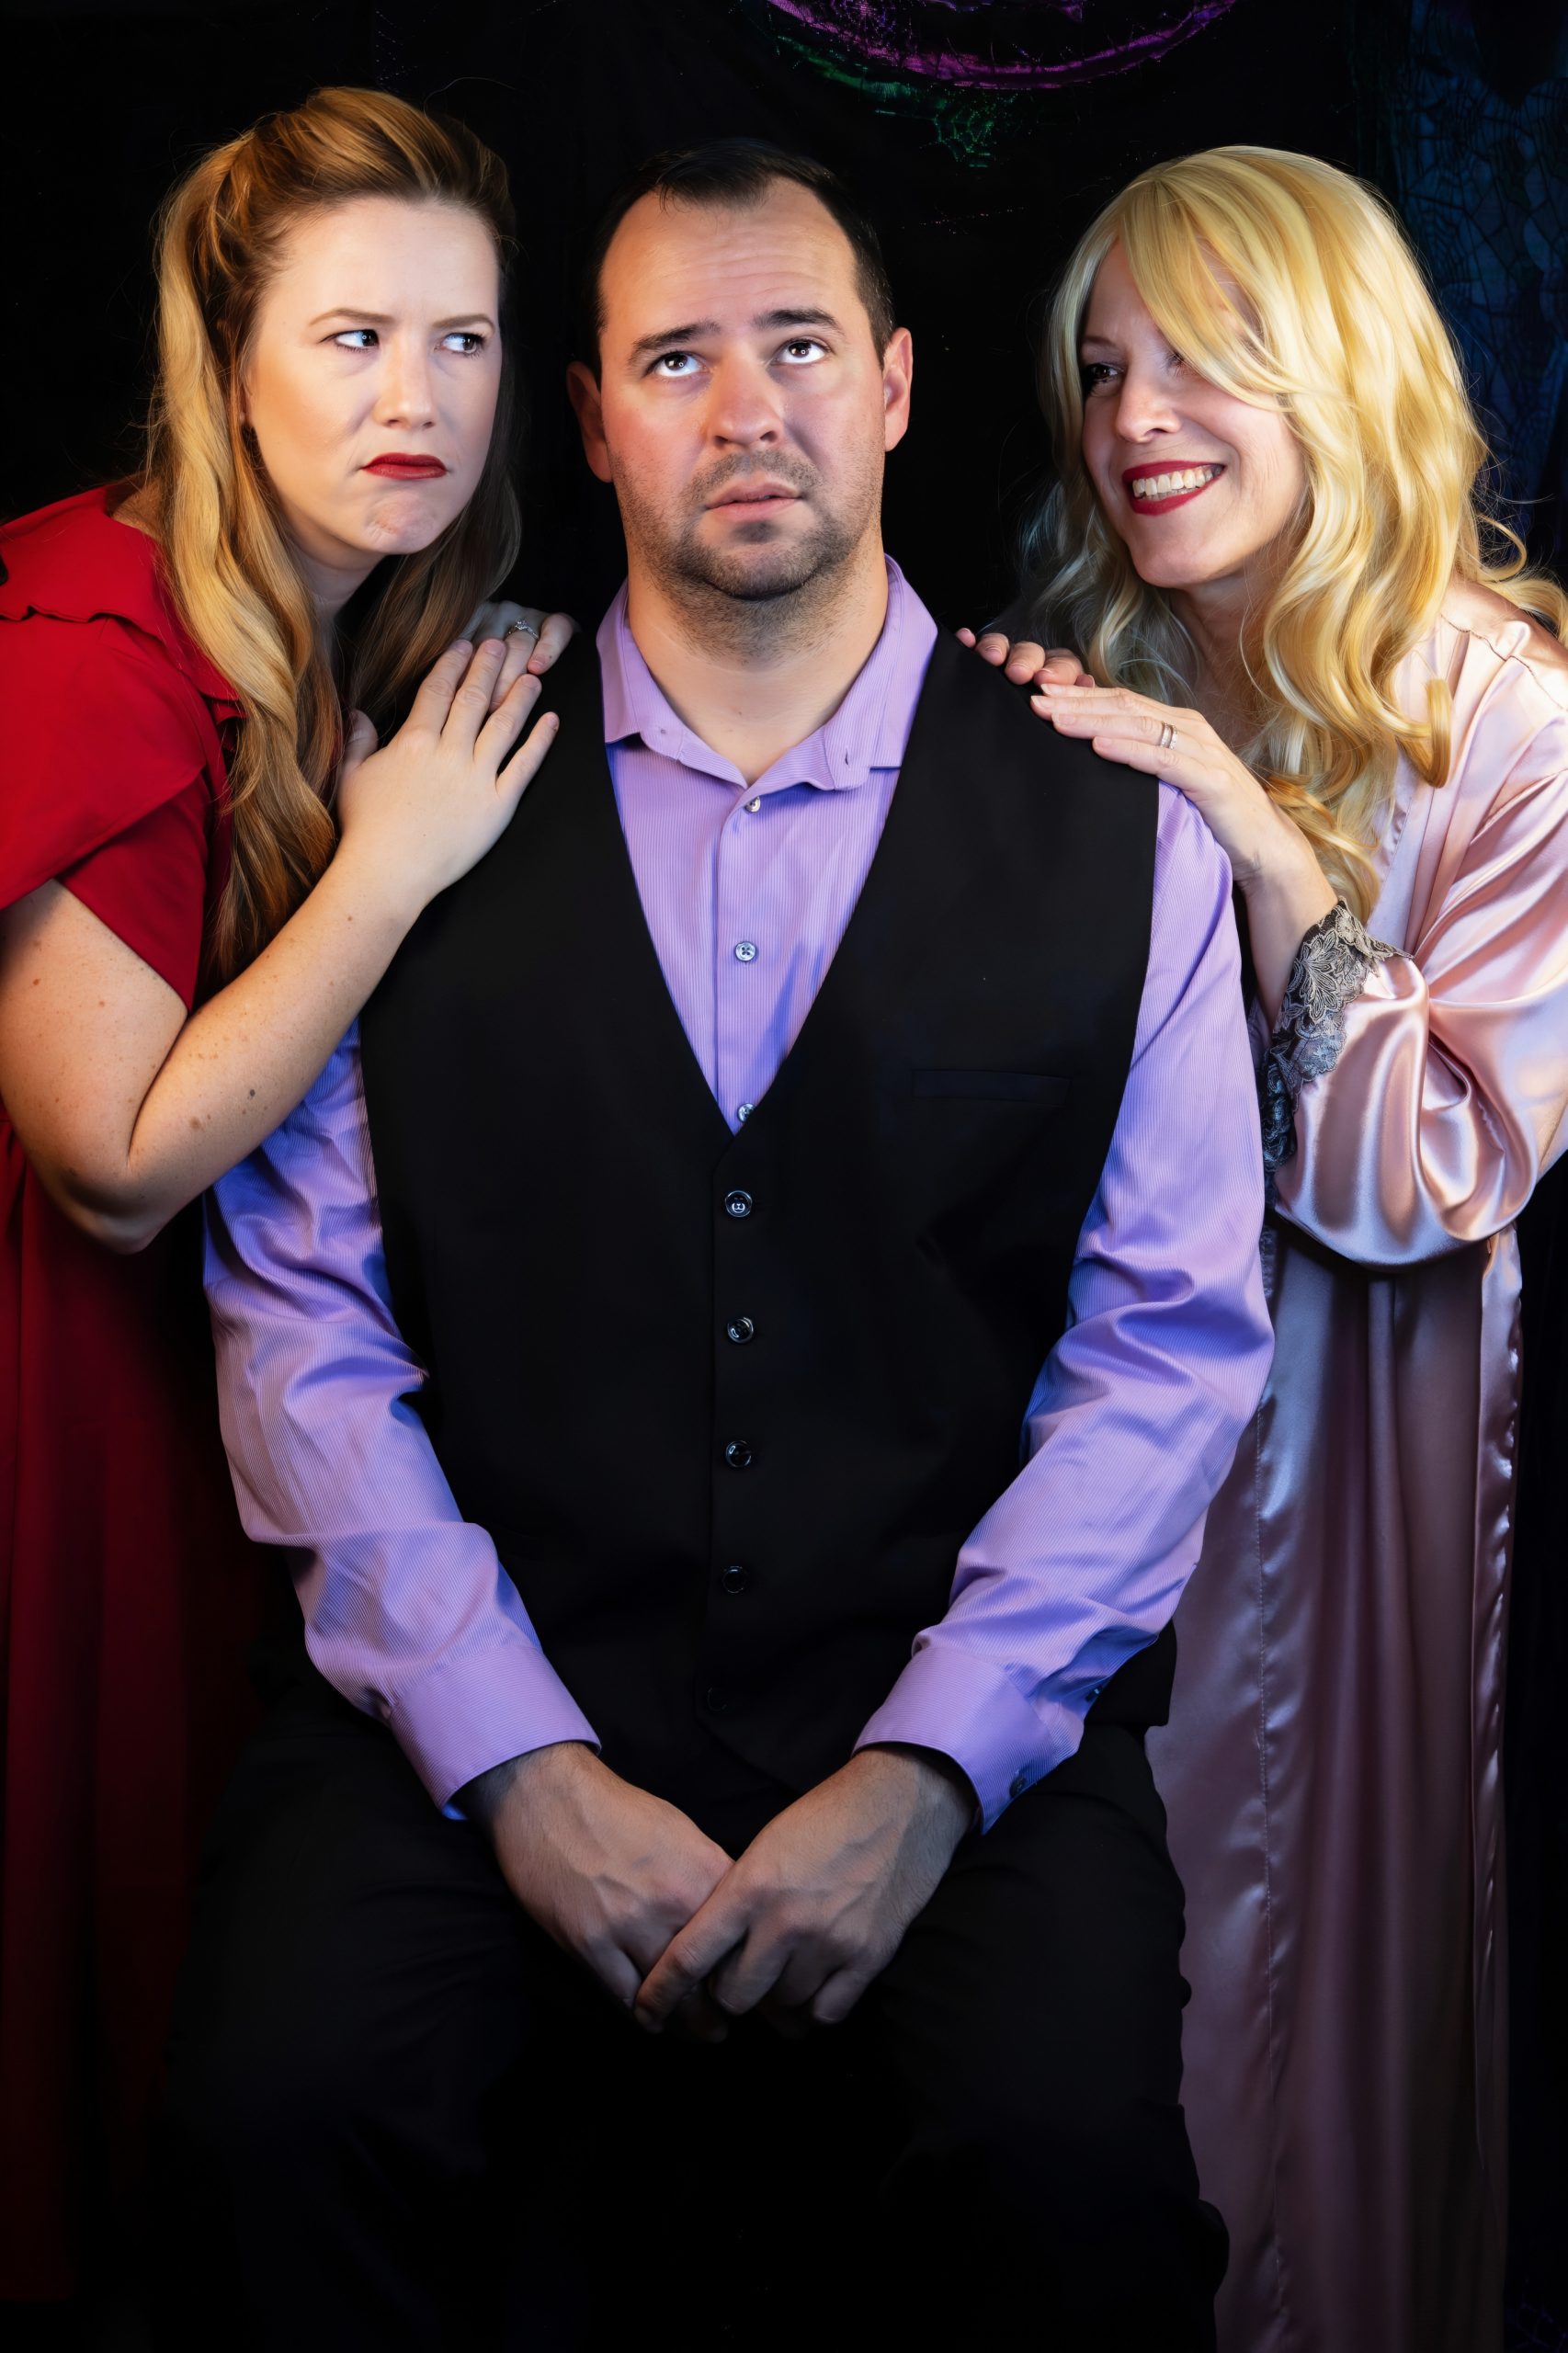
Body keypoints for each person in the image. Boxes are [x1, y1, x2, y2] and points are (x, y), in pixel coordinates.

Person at [163, 137, 1274, 2348]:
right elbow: (302, 1321)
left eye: (796, 347)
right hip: (480, 1681)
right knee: (275, 2113)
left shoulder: (1116, 823)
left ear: (893, 386)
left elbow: (1161, 1358)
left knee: (1063, 2171)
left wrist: (927, 1769)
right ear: (590, 420)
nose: (745, 407)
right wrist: (516, 1758)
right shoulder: (414, 794)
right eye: (676, 358)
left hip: (949, 1704)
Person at [971, 144, 1568, 2353]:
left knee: (1281, 2020)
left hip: (1342, 1472)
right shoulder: (1102, 659)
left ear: (1337, 365)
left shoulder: (1503, 717)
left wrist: (1252, 838)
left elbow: (1436, 1176)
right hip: (1079, 1436)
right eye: (1102, 367)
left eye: (1204, 357)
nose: (1135, 417)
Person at [0, 86, 570, 2306]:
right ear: (227, 367)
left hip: (235, 1399)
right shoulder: (93, 635)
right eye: (350, 338)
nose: (415, 396)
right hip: (59, 1397)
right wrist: (388, 863)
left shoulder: (365, 633)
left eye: (461, 339)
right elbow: (114, 1163)